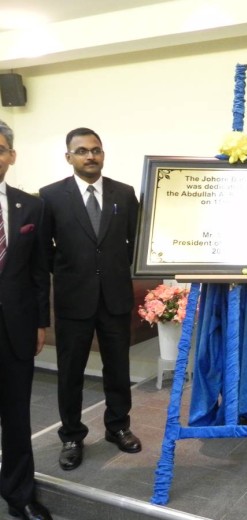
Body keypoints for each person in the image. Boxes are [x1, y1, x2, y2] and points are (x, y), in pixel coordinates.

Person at [39, 128, 141, 471]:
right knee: (70, 373)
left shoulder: (124, 193)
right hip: (73, 299)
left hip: (115, 298)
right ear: (69, 157)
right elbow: (44, 250)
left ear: (103, 154)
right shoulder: (51, 196)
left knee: (118, 368)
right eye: (82, 151)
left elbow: (136, 242)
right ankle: (71, 436)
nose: (90, 156)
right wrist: (71, 272)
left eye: (95, 150)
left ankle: (118, 427)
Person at [0, 121, 53, 520]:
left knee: (17, 417)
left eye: (0, 149)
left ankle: (20, 495)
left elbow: (38, 272)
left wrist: (39, 323)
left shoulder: (29, 206)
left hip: (15, 329)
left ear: (12, 156)